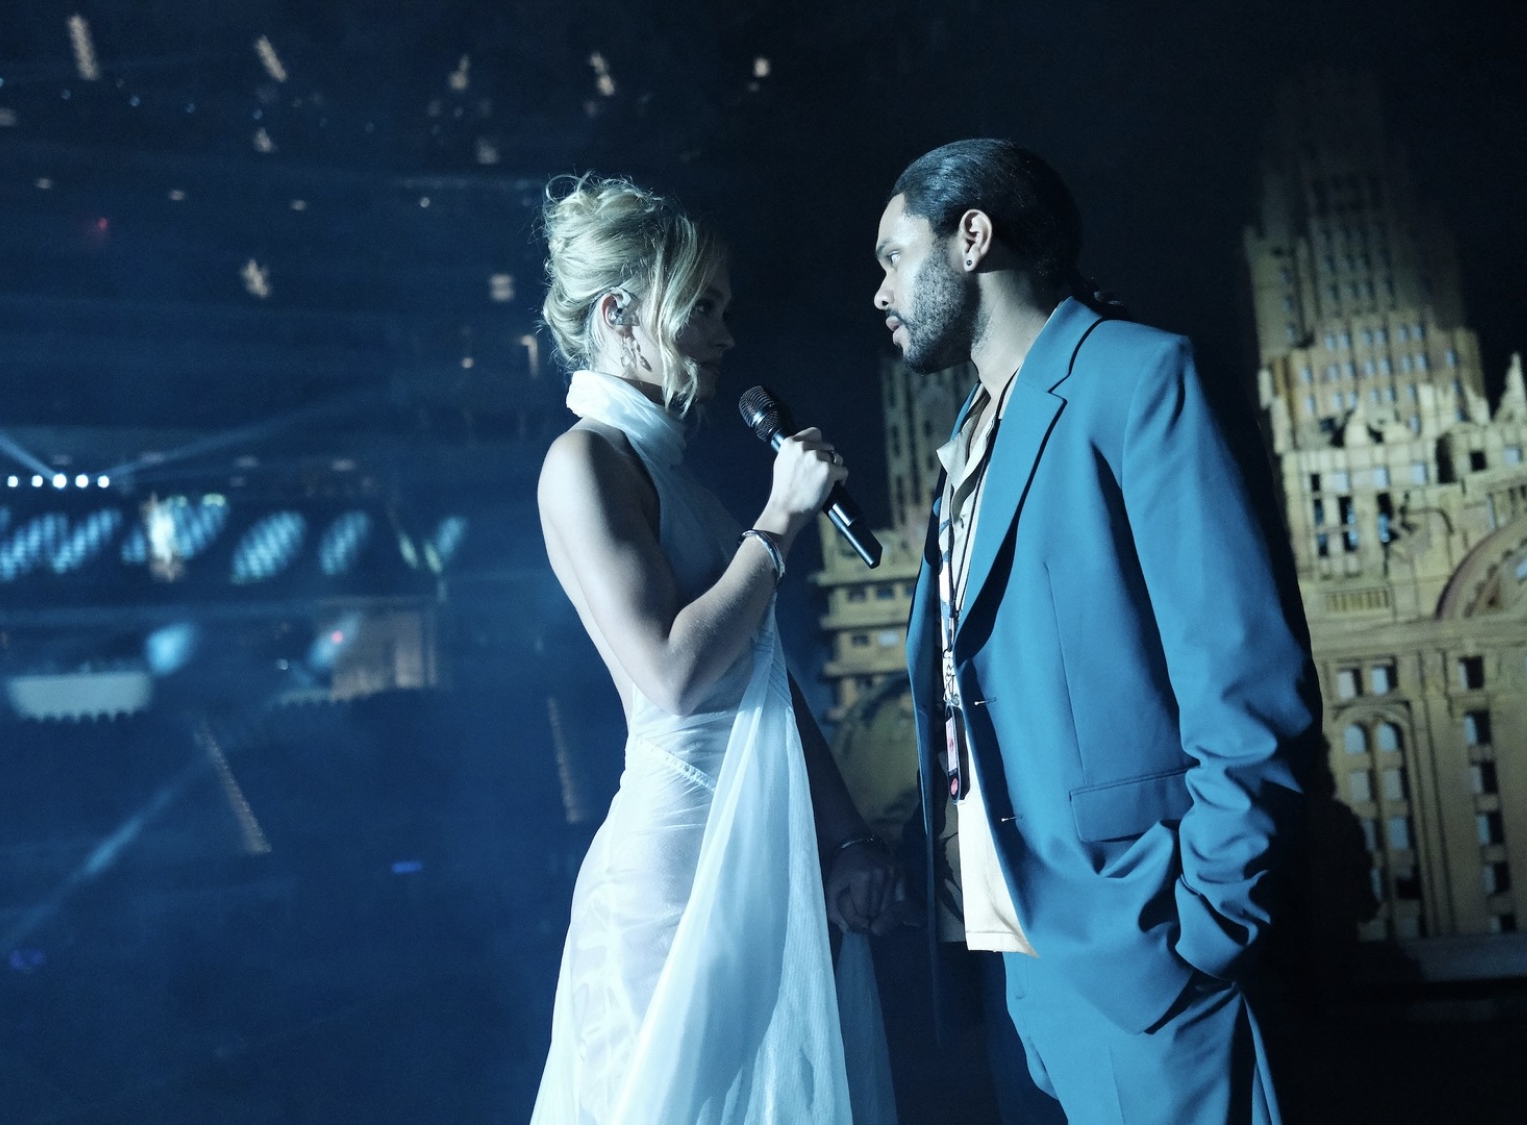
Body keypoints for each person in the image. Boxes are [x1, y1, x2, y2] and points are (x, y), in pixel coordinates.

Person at [875, 139, 1320, 1123]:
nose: (879, 291)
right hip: (1007, 955)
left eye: (893, 256)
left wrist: (1202, 927)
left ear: (971, 238)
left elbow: (1243, 674)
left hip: (1139, 945)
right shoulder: (965, 443)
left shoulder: (1134, 376)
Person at [529, 175, 900, 1124]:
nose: (727, 334)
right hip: (678, 852)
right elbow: (674, 673)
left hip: (755, 834)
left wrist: (847, 835)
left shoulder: (667, 471)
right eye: (703, 306)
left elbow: (757, 678)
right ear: (621, 314)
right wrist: (777, 523)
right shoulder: (585, 461)